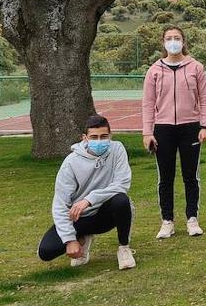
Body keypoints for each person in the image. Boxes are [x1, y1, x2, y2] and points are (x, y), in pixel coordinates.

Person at [37, 115, 135, 271]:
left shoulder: (117, 149)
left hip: (105, 213)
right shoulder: (71, 162)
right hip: (80, 216)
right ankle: (82, 238)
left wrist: (90, 199)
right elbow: (60, 204)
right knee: (46, 252)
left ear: (110, 136)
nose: (99, 141)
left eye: (104, 136)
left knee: (121, 200)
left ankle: (124, 248)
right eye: (94, 137)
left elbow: (122, 184)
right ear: (84, 138)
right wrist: (69, 240)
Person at [142, 25, 206, 239]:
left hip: (190, 127)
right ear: (163, 42)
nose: (173, 41)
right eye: (169, 38)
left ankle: (192, 219)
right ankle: (167, 221)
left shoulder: (196, 68)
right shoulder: (154, 70)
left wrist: (205, 126)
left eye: (177, 37)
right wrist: (147, 132)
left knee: (191, 176)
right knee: (165, 177)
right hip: (163, 129)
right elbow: (147, 103)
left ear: (183, 41)